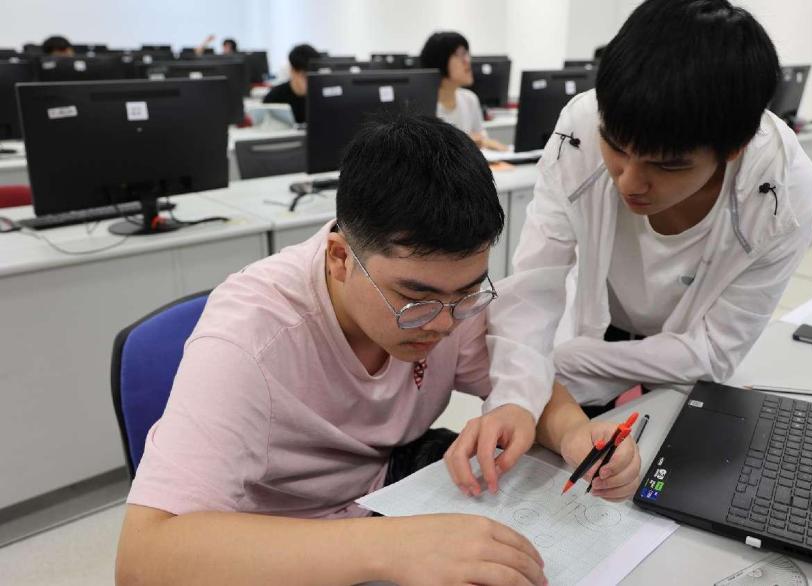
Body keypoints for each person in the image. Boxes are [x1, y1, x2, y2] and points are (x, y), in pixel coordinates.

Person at [115, 112, 641, 585]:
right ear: (341, 258)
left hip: (387, 495)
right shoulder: (250, 338)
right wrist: (391, 548)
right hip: (282, 541)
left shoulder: (448, 298)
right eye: (415, 297)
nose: (443, 323)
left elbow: (522, 379)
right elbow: (143, 555)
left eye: (467, 292)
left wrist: (577, 435)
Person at [482, 0, 812, 425]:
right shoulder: (582, 131)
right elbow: (535, 279)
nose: (629, 182)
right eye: (617, 148)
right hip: (597, 317)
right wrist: (517, 393)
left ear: (734, 148)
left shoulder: (781, 193)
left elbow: (713, 351)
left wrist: (573, 360)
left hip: (689, 353)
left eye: (668, 165)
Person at [419, 31, 507, 151]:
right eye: (460, 55)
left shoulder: (469, 99)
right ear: (440, 60)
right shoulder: (422, 106)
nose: (467, 61)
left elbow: (481, 139)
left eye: (467, 54)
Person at [263, 43, 320, 124]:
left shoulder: (322, 97)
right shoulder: (274, 97)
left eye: (313, 76)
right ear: (292, 71)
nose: (310, 81)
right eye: (304, 76)